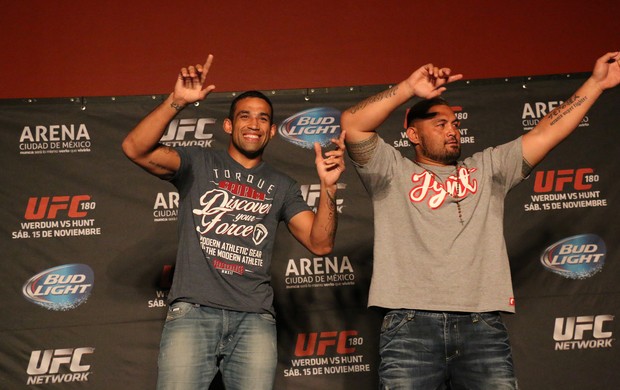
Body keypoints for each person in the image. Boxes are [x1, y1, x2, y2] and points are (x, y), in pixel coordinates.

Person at [340, 51, 620, 389]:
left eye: (455, 124)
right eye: (440, 124)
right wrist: (408, 88)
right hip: (409, 326)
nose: (452, 131)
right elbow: (354, 123)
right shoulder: (389, 171)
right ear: (413, 135)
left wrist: (596, 84)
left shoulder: (488, 169)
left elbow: (547, 132)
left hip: (482, 325)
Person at [121, 54, 346, 390]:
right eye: (244, 116)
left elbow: (320, 242)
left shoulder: (282, 185)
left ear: (271, 131)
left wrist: (328, 188)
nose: (253, 124)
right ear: (228, 125)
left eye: (262, 119)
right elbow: (134, 148)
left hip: (254, 318)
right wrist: (176, 101)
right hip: (193, 312)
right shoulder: (198, 162)